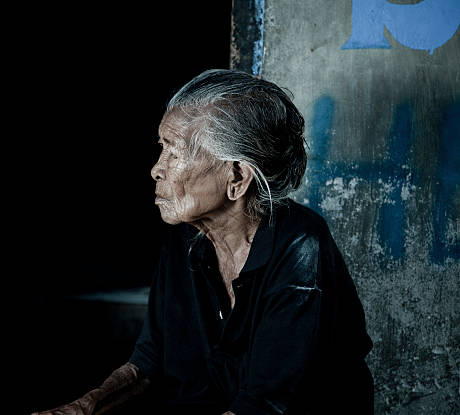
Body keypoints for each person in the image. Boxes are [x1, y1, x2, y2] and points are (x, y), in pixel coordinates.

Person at [36, 69, 373, 415]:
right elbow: (150, 360)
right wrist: (84, 407)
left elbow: (264, 404)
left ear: (237, 178)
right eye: (161, 148)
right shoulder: (185, 236)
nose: (156, 169)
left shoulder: (300, 247)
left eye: (174, 152)